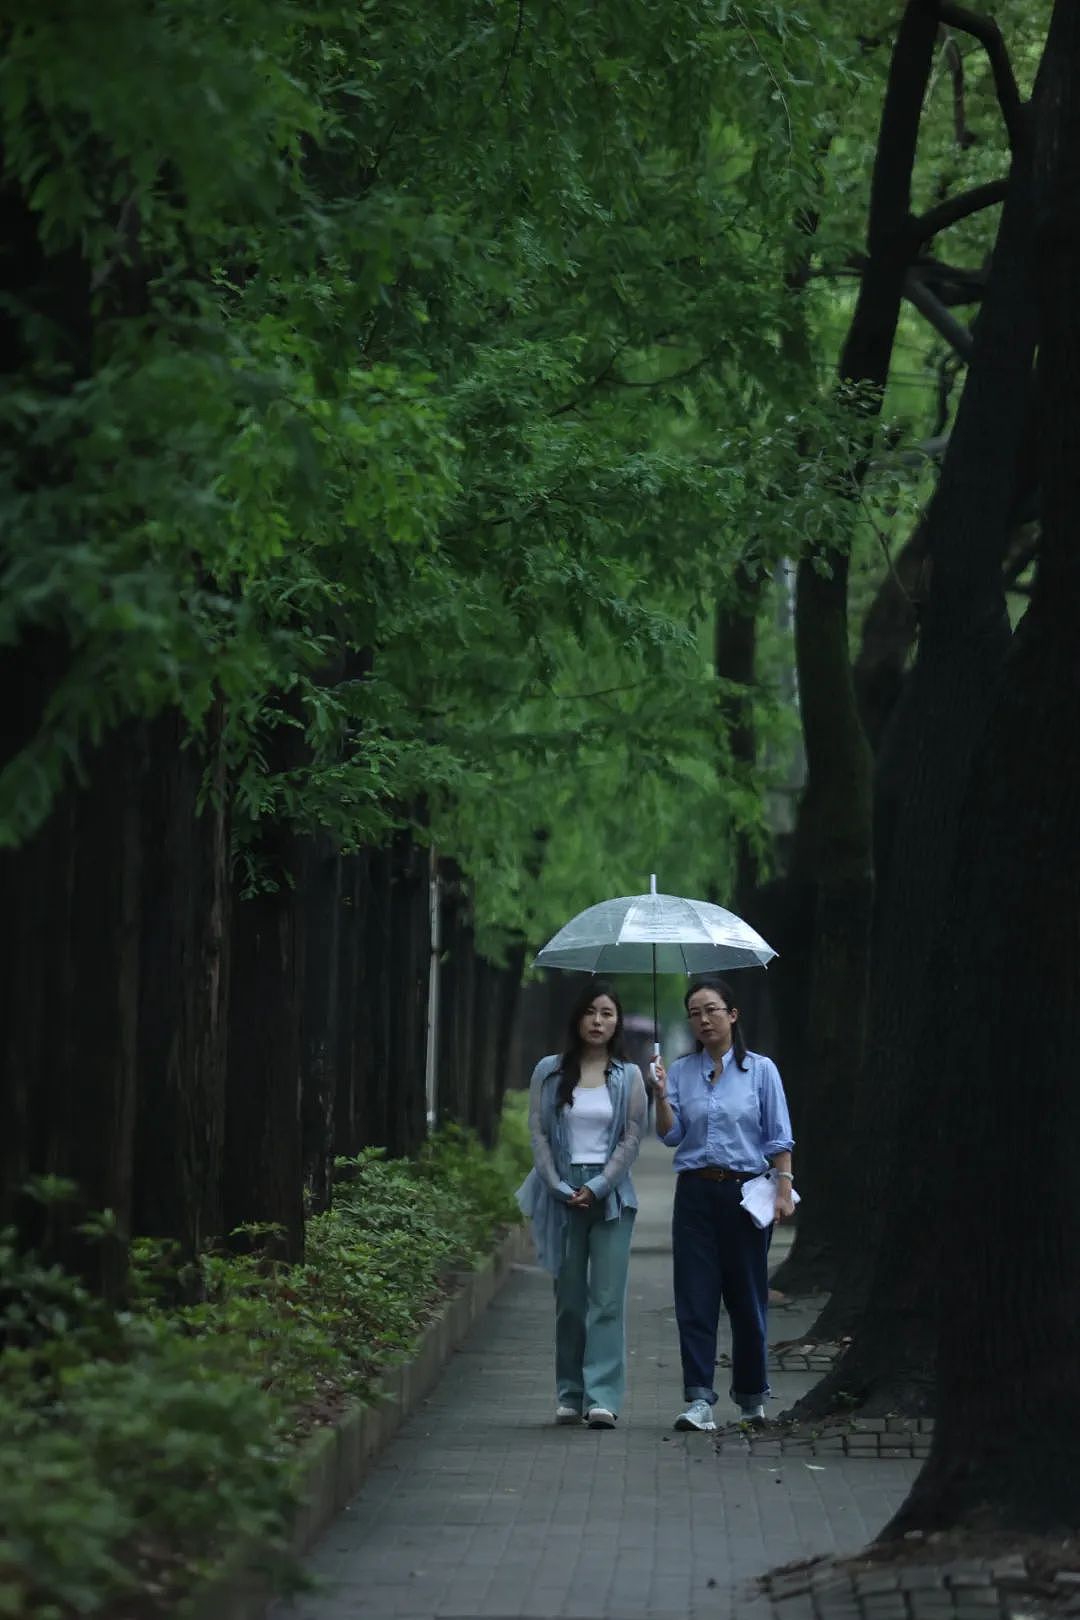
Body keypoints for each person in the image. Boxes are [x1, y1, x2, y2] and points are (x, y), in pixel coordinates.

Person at [653, 974, 795, 1432]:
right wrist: (659, 1097)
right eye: (694, 1013)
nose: (703, 1019)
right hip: (695, 1194)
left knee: (746, 1299)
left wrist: (783, 1188)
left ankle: (752, 1397)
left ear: (732, 1014)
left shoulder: (762, 1070)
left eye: (712, 1009)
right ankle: (698, 1399)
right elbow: (671, 1135)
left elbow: (778, 1135)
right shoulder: (680, 1071)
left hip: (744, 1194)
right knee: (695, 1299)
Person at [516, 979, 648, 1428]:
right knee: (569, 1299)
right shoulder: (549, 1071)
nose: (598, 1021)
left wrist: (599, 1184)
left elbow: (633, 1137)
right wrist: (556, 1185)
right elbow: (536, 1131)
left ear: (618, 1022)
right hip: (561, 1190)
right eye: (591, 1012)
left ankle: (603, 1398)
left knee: (607, 1301)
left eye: (607, 1013)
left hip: (610, 1194)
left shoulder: (629, 1076)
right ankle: (570, 1394)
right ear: (577, 1018)